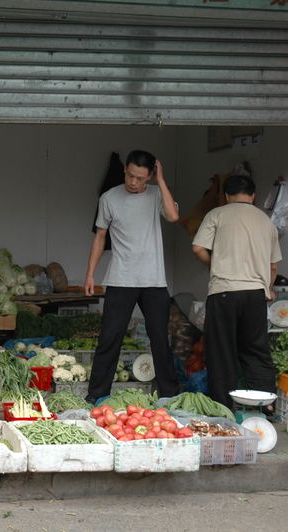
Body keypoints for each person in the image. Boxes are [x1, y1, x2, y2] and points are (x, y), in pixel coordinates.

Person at [83, 150, 180, 404]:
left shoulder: (157, 194)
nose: (134, 182)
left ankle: (169, 394)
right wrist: (91, 274)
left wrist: (161, 181)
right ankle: (96, 395)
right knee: (109, 338)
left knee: (160, 338)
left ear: (150, 176)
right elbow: (100, 237)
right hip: (120, 279)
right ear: (125, 169)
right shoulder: (109, 198)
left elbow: (173, 216)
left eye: (140, 178)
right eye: (130, 175)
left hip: (154, 281)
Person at [191, 174, 281, 410]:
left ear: (226, 196)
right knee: (256, 350)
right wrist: (268, 287)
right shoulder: (266, 221)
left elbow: (198, 248)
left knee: (221, 352)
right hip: (254, 295)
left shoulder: (217, 214)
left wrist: (215, 264)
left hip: (224, 292)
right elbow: (273, 266)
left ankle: (224, 407)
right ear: (253, 196)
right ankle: (265, 404)